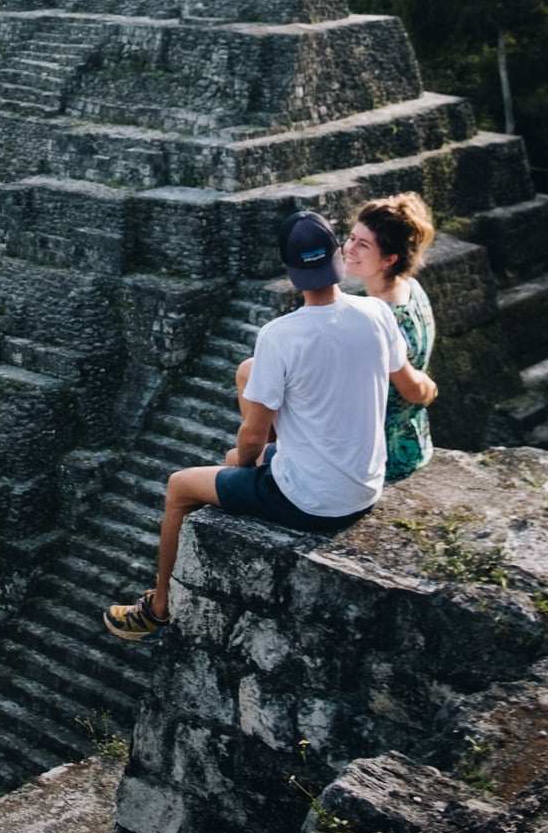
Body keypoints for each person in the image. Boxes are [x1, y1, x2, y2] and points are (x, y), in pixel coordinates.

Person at [104, 210, 438, 642]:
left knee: (181, 486)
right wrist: (430, 390)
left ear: (291, 269)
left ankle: (158, 607)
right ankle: (258, 476)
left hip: (314, 502)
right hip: (366, 485)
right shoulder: (376, 313)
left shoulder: (281, 335)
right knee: (244, 417)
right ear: (336, 257)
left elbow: (253, 435)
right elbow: (411, 385)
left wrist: (247, 461)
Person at [342, 193, 438, 482]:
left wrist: (430, 388)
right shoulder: (411, 288)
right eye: (351, 237)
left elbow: (413, 390)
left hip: (385, 455)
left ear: (388, 259)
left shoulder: (378, 319)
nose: (350, 248)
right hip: (412, 438)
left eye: (363, 244)